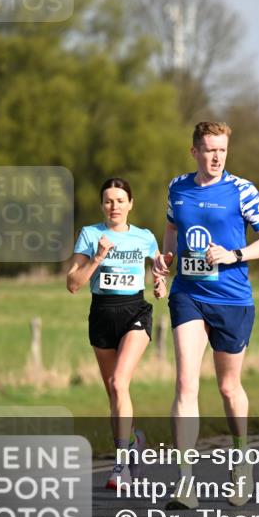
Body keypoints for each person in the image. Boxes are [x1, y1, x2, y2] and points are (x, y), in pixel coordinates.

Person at [153, 121, 259, 509]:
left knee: (228, 388)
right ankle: (185, 481)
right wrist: (162, 266)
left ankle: (241, 461)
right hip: (188, 294)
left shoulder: (242, 190)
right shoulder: (177, 187)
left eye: (222, 150)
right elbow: (171, 232)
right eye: (209, 149)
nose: (215, 157)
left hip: (231, 297)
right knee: (185, 383)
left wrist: (235, 255)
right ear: (194, 151)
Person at [67, 178, 162, 489]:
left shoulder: (144, 237)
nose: (114, 206)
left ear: (130, 204)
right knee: (114, 391)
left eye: (120, 200)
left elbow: (158, 269)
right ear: (101, 206)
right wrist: (97, 258)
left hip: (135, 311)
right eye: (108, 201)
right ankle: (134, 440)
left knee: (120, 381)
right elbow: (73, 284)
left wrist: (160, 283)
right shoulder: (90, 235)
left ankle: (119, 466)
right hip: (102, 315)